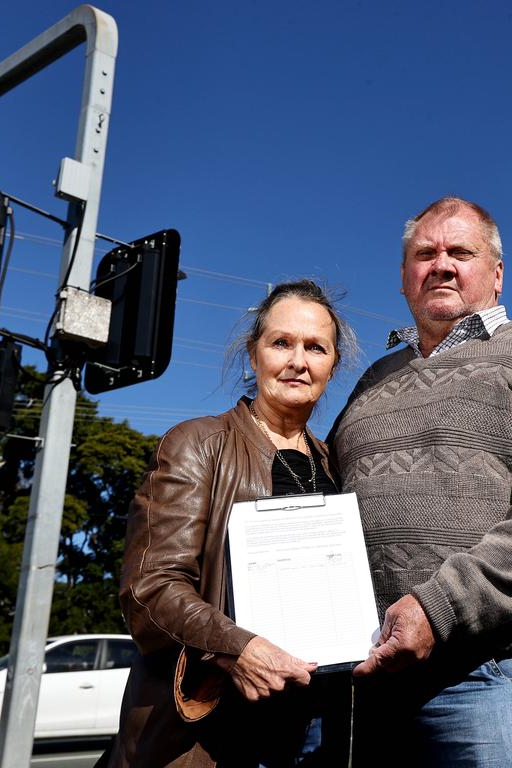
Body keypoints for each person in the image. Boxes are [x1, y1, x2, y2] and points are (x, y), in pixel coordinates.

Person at [329, 196, 512, 767]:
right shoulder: (369, 383)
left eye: (461, 251)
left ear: (497, 274)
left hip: (493, 672)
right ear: (404, 278)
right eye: (424, 253)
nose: (442, 264)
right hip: (368, 679)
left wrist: (439, 609)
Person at [104, 279, 357, 768]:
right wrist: (237, 648)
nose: (298, 361)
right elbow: (149, 590)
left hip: (317, 727)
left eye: (315, 348)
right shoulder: (198, 444)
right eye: (281, 343)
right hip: (216, 730)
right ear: (253, 352)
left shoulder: (336, 466)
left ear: (333, 363)